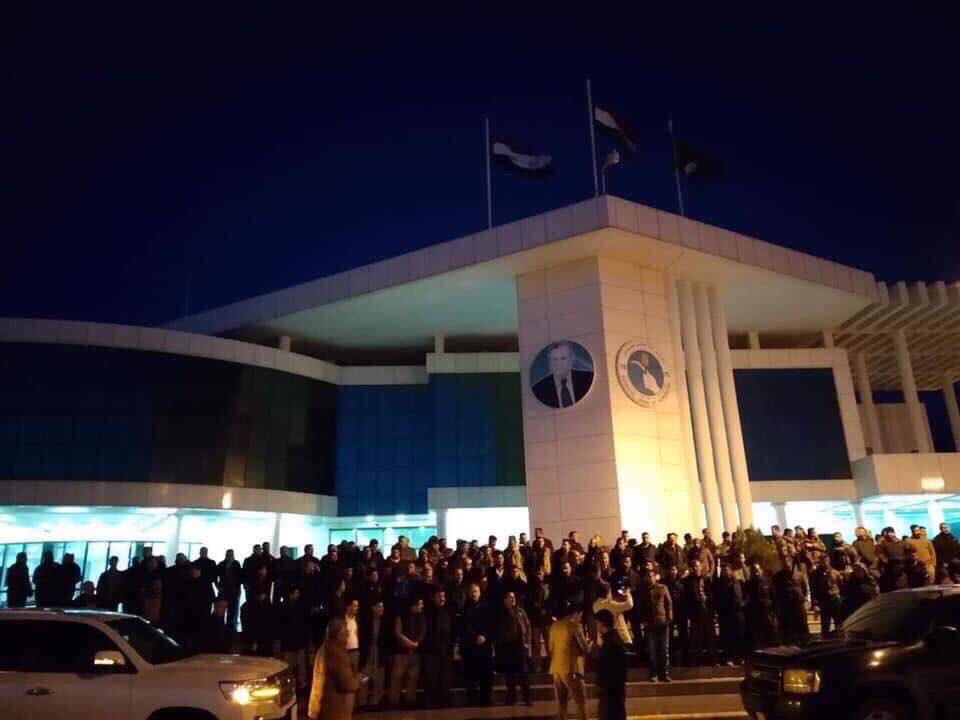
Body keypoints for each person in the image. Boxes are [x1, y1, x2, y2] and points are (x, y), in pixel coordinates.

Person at [549, 603, 590, 720]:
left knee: (561, 705)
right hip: (571, 668)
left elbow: (551, 648)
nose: (581, 618)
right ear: (576, 613)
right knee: (581, 702)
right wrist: (589, 645)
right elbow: (585, 648)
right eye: (580, 615)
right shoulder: (575, 625)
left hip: (556, 668)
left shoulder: (555, 626)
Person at [318, 618, 365, 720]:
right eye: (345, 633)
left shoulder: (324, 648)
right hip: (337, 709)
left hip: (326, 705)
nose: (348, 635)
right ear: (337, 635)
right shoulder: (338, 654)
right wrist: (358, 679)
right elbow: (347, 684)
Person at [636, 561, 672, 682]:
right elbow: (640, 606)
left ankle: (665, 673)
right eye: (648, 576)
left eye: (652, 576)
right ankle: (654, 673)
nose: (650, 578)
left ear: (655, 577)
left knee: (664, 649)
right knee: (651, 651)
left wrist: (669, 618)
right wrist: (643, 620)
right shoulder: (643, 590)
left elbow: (668, 603)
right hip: (650, 623)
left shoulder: (663, 588)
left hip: (662, 622)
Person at [495, 590, 532, 706]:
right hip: (508, 648)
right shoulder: (501, 614)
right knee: (509, 674)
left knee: (524, 674)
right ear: (505, 600)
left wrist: (527, 642)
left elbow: (527, 626)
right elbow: (499, 631)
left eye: (514, 597)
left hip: (520, 647)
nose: (513, 599)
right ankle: (512, 698)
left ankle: (527, 698)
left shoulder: (520, 611)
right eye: (510, 597)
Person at [461, 582, 494, 707]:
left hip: (485, 646)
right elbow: (464, 625)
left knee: (486, 675)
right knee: (471, 676)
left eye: (476, 591)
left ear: (480, 593)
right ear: (468, 593)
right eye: (472, 591)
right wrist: (475, 637)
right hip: (470, 646)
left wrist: (484, 636)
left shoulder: (487, 607)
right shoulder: (464, 608)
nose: (474, 593)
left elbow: (491, 624)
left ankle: (485, 699)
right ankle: (472, 699)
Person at [532, 342, 593, 408]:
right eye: (555, 359)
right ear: (549, 361)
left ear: (572, 359)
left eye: (563, 358)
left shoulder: (588, 378)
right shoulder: (539, 389)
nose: (558, 363)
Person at [388, 597, 425, 707]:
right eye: (420, 604)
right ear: (412, 605)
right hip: (401, 653)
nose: (422, 606)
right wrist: (409, 643)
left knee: (413, 679)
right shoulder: (401, 616)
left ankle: (410, 702)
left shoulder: (421, 616)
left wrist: (417, 643)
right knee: (397, 678)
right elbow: (398, 633)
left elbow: (423, 631)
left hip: (415, 653)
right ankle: (393, 703)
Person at [422, 587, 453, 708]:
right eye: (439, 596)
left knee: (445, 678)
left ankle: (444, 701)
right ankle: (430, 702)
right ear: (434, 598)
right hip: (431, 651)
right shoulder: (428, 613)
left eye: (443, 596)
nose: (442, 599)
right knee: (431, 679)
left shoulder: (447, 612)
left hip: (445, 651)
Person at [594, 609, 627, 720]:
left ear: (602, 623)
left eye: (597, 623)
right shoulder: (611, 640)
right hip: (612, 691)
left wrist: (603, 685)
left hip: (610, 692)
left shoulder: (611, 643)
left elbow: (610, 667)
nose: (596, 626)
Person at [682, 559, 716, 665]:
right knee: (697, 639)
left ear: (701, 567)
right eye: (694, 566)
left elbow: (713, 595)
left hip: (707, 611)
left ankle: (713, 660)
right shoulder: (687, 581)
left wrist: (708, 599)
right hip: (695, 613)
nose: (696, 568)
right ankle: (697, 661)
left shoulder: (707, 580)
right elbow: (686, 598)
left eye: (697, 566)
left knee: (710, 637)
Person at [278, 588, 310, 695]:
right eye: (295, 593)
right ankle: (293, 687)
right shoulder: (287, 608)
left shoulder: (296, 607)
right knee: (291, 668)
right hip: (292, 642)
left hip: (294, 642)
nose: (297, 595)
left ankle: (296, 687)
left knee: (297, 668)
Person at [358, 597, 388, 711]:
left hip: (379, 655)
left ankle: (375, 702)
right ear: (373, 608)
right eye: (379, 606)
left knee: (379, 680)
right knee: (364, 679)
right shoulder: (366, 622)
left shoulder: (385, 622)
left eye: (382, 606)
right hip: (368, 654)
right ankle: (362, 703)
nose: (382, 608)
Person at [713, 564, 746, 665]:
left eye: (727, 570)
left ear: (731, 571)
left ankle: (740, 657)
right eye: (723, 571)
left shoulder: (739, 582)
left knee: (740, 635)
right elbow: (716, 598)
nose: (725, 572)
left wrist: (744, 603)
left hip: (738, 613)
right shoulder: (719, 584)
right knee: (727, 636)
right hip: (725, 613)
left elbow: (746, 594)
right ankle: (729, 658)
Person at [773, 556, 809, 643]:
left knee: (803, 626)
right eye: (784, 563)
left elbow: (804, 589)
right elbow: (775, 592)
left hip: (798, 605)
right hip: (786, 606)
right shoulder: (778, 576)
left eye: (788, 562)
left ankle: (805, 642)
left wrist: (801, 598)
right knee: (789, 629)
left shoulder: (799, 575)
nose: (787, 565)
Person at [745, 563, 778, 649]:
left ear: (761, 570)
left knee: (771, 631)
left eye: (757, 570)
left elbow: (774, 597)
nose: (756, 573)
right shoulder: (748, 584)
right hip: (755, 612)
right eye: (754, 571)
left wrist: (775, 611)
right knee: (758, 633)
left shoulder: (768, 582)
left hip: (768, 612)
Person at [811, 556, 844, 634]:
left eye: (826, 561)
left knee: (839, 624)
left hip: (836, 601)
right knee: (825, 625)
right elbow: (814, 589)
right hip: (824, 601)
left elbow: (842, 586)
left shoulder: (835, 572)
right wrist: (815, 604)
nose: (825, 563)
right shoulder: (816, 574)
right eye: (822, 561)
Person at [216, 549, 243, 628]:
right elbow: (215, 576)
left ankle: (229, 628)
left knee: (232, 611)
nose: (230, 556)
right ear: (226, 555)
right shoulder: (221, 564)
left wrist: (239, 589)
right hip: (223, 591)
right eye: (228, 554)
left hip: (234, 591)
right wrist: (218, 587)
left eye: (231, 554)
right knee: (221, 610)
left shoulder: (236, 564)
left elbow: (240, 578)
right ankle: (220, 627)